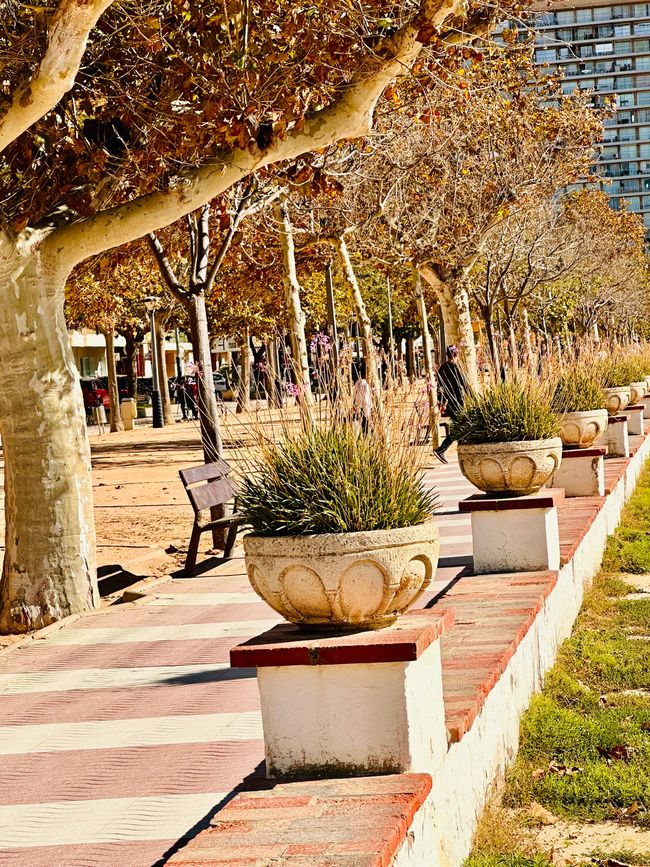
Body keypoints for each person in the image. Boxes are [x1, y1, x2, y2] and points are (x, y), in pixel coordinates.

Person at [434, 345, 468, 464]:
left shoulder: (442, 368)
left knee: (461, 425)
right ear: (456, 354)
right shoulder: (455, 367)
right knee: (460, 426)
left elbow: (439, 388)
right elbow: (464, 385)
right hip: (457, 402)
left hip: (449, 402)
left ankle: (462, 448)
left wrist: (441, 402)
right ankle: (441, 450)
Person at [352, 359, 372, 434]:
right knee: (366, 423)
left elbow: (354, 394)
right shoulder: (366, 384)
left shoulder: (358, 382)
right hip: (365, 406)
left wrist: (353, 404)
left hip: (359, 406)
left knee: (361, 423)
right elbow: (367, 398)